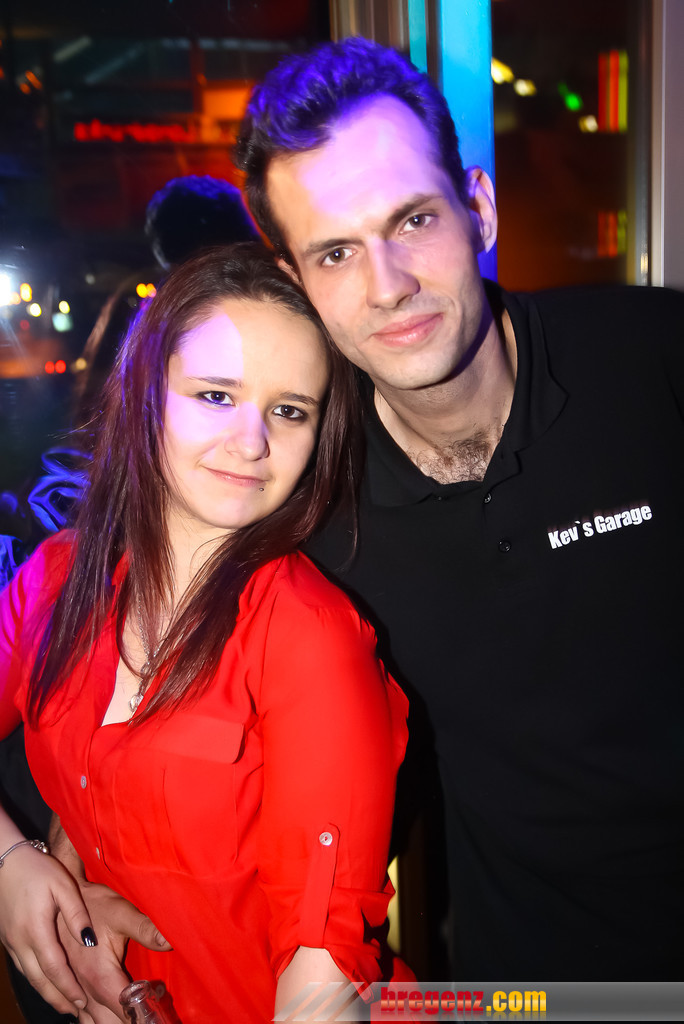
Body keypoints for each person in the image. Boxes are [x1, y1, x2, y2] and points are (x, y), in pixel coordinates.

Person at [232, 37, 684, 980]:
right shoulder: (313, 507)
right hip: (534, 993)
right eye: (336, 252)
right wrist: (40, 853)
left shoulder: (655, 360)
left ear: (478, 207)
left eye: (413, 219)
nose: (388, 284)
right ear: (296, 281)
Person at [0, 243, 408, 1022]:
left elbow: (323, 964)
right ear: (144, 393)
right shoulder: (58, 578)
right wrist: (13, 865)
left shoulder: (311, 636)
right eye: (216, 395)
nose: (252, 442)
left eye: (290, 410)